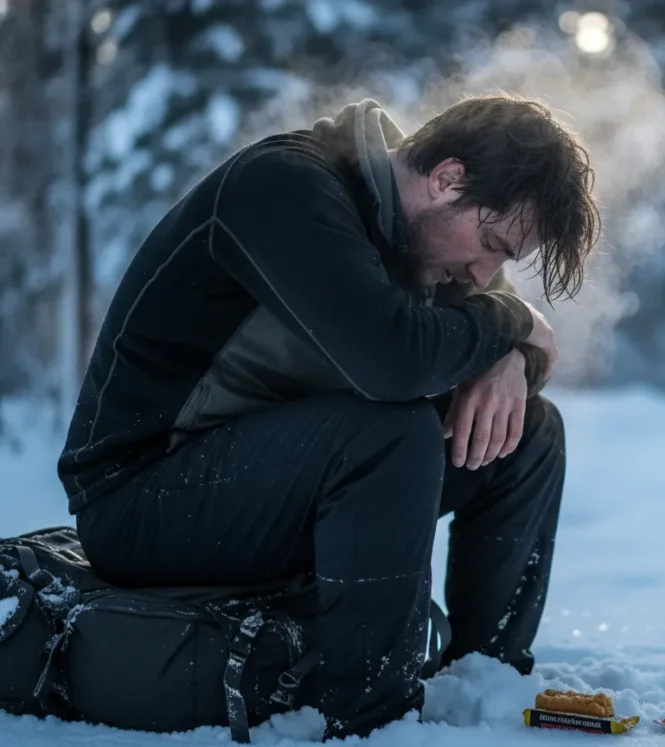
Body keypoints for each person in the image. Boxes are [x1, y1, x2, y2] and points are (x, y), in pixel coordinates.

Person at [56, 94, 600, 741]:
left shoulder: (425, 243)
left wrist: (509, 357)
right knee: (392, 432)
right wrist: (511, 326)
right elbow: (394, 361)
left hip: (271, 489)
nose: (486, 271)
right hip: (141, 496)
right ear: (448, 178)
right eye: (491, 244)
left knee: (529, 431)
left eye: (503, 261)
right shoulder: (285, 188)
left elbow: (520, 343)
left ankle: (483, 677)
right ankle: (375, 723)